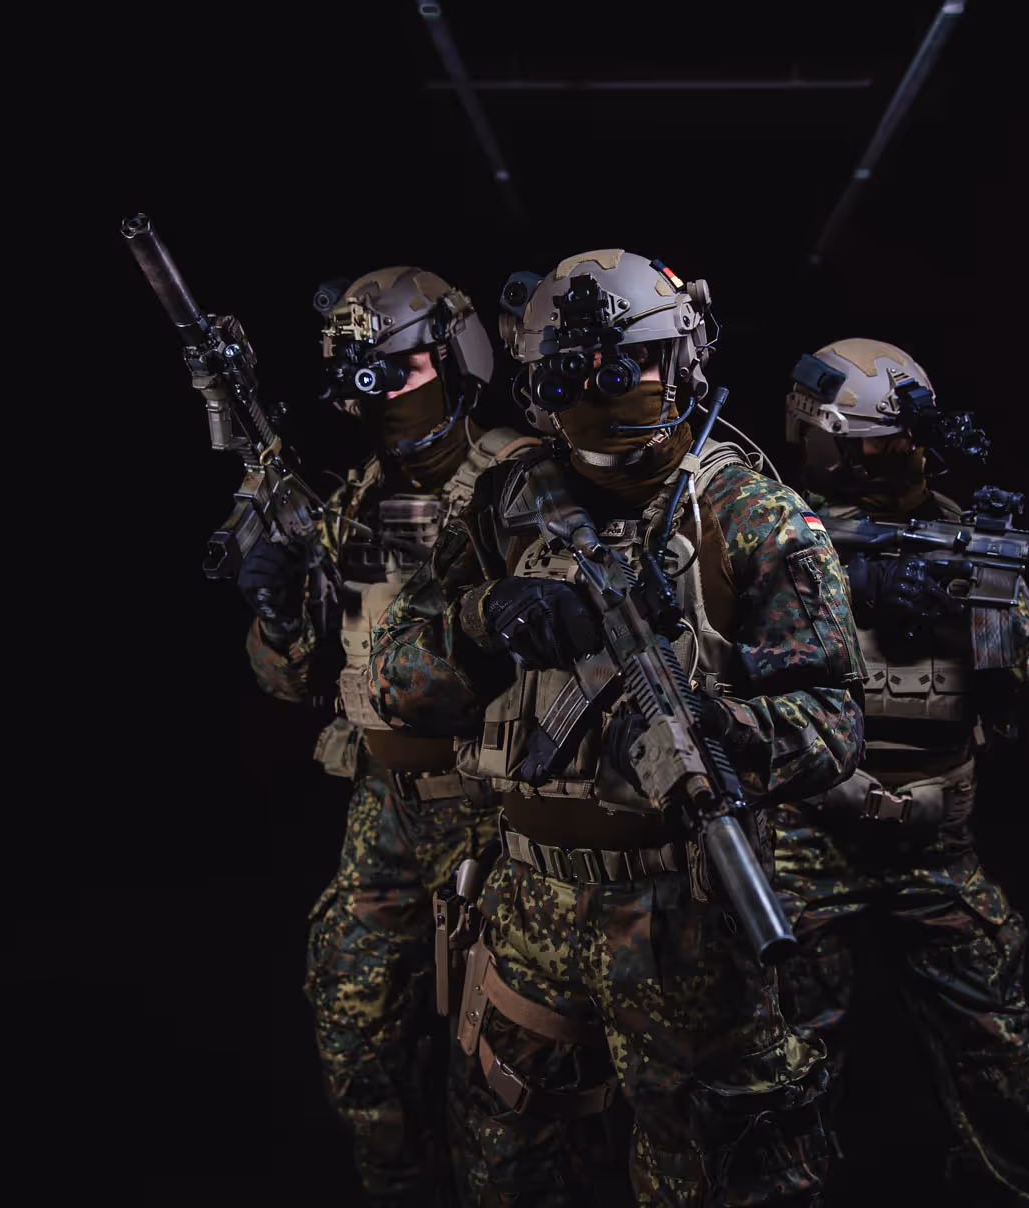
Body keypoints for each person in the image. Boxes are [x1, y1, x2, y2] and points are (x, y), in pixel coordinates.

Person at [368, 250, 866, 1205]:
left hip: (687, 920)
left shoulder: (754, 518)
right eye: (571, 373)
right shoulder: (503, 506)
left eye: (626, 364)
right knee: (511, 1169)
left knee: (719, 1172)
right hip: (525, 911)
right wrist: (486, 621)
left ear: (682, 364)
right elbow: (397, 680)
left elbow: (833, 725)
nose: (601, 394)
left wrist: (717, 725)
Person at [775, 339, 1029, 1206]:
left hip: (934, 840)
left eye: (902, 438)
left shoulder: (973, 536)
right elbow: (725, 672)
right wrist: (854, 589)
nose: (900, 455)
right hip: (805, 835)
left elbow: (1020, 697)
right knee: (778, 1059)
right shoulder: (773, 529)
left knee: (995, 1043)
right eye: (872, 442)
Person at [236, 265, 539, 1205]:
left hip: (504, 820)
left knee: (501, 1081)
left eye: (402, 372)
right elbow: (291, 682)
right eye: (366, 379)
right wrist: (278, 608)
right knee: (356, 1039)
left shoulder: (525, 485)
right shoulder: (356, 498)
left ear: (458, 360)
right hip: (386, 815)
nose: (385, 401)